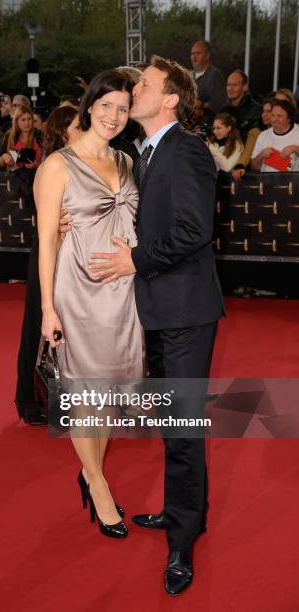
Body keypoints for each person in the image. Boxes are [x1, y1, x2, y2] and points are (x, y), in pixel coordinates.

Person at [87, 56, 224, 595]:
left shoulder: (186, 148)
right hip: (158, 309)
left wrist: (136, 261)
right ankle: (182, 511)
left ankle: (183, 539)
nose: (134, 88)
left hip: (187, 311)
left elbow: (195, 230)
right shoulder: (143, 153)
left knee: (184, 429)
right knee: (173, 423)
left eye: (144, 84)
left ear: (170, 99)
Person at [37, 70, 143, 539]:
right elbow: (45, 244)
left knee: (106, 396)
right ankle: (98, 485)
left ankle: (89, 471)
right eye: (106, 105)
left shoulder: (126, 160)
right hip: (77, 292)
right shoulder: (57, 166)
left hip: (123, 293)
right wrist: (47, 309)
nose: (113, 116)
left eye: (122, 108)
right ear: (89, 105)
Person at [14, 106, 81, 426]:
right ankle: (26, 397)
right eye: (80, 126)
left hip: (76, 257)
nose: (87, 131)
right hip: (49, 252)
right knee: (37, 327)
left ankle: (62, 399)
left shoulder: (88, 163)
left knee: (72, 330)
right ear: (63, 130)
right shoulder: (51, 167)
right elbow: (45, 219)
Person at [223, 69, 262, 180]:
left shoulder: (256, 110)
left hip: (246, 170)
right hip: (225, 166)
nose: (230, 88)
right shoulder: (223, 109)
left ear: (245, 87)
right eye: (228, 85)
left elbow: (253, 142)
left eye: (235, 85)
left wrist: (241, 164)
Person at [251, 99, 299, 172]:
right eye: (273, 115)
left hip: (292, 182)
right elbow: (254, 168)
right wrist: (261, 155)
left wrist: (295, 148)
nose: (275, 119)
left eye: (279, 116)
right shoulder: (263, 135)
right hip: (266, 181)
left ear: (289, 118)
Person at [0, 107, 42, 171]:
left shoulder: (39, 135)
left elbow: (48, 159)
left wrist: (36, 165)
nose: (27, 123)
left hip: (37, 174)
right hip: (15, 176)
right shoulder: (10, 136)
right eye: (23, 120)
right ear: (16, 122)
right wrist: (4, 157)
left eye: (29, 119)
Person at [190, 40, 227, 114]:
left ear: (207, 55)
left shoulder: (214, 75)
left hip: (208, 122)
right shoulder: (189, 75)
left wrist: (201, 104)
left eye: (198, 53)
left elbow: (219, 103)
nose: (194, 57)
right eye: (192, 53)